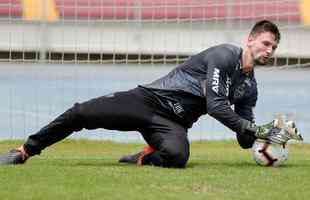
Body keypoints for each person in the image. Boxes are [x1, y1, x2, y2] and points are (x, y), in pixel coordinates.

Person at [0, 20, 301, 168]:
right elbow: (217, 107)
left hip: (173, 123)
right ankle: (25, 150)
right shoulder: (224, 55)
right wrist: (254, 128)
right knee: (82, 113)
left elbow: (243, 139)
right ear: (250, 40)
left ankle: (143, 157)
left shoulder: (250, 88)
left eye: (274, 47)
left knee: (177, 157)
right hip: (146, 101)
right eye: (265, 43)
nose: (270, 51)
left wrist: (265, 135)